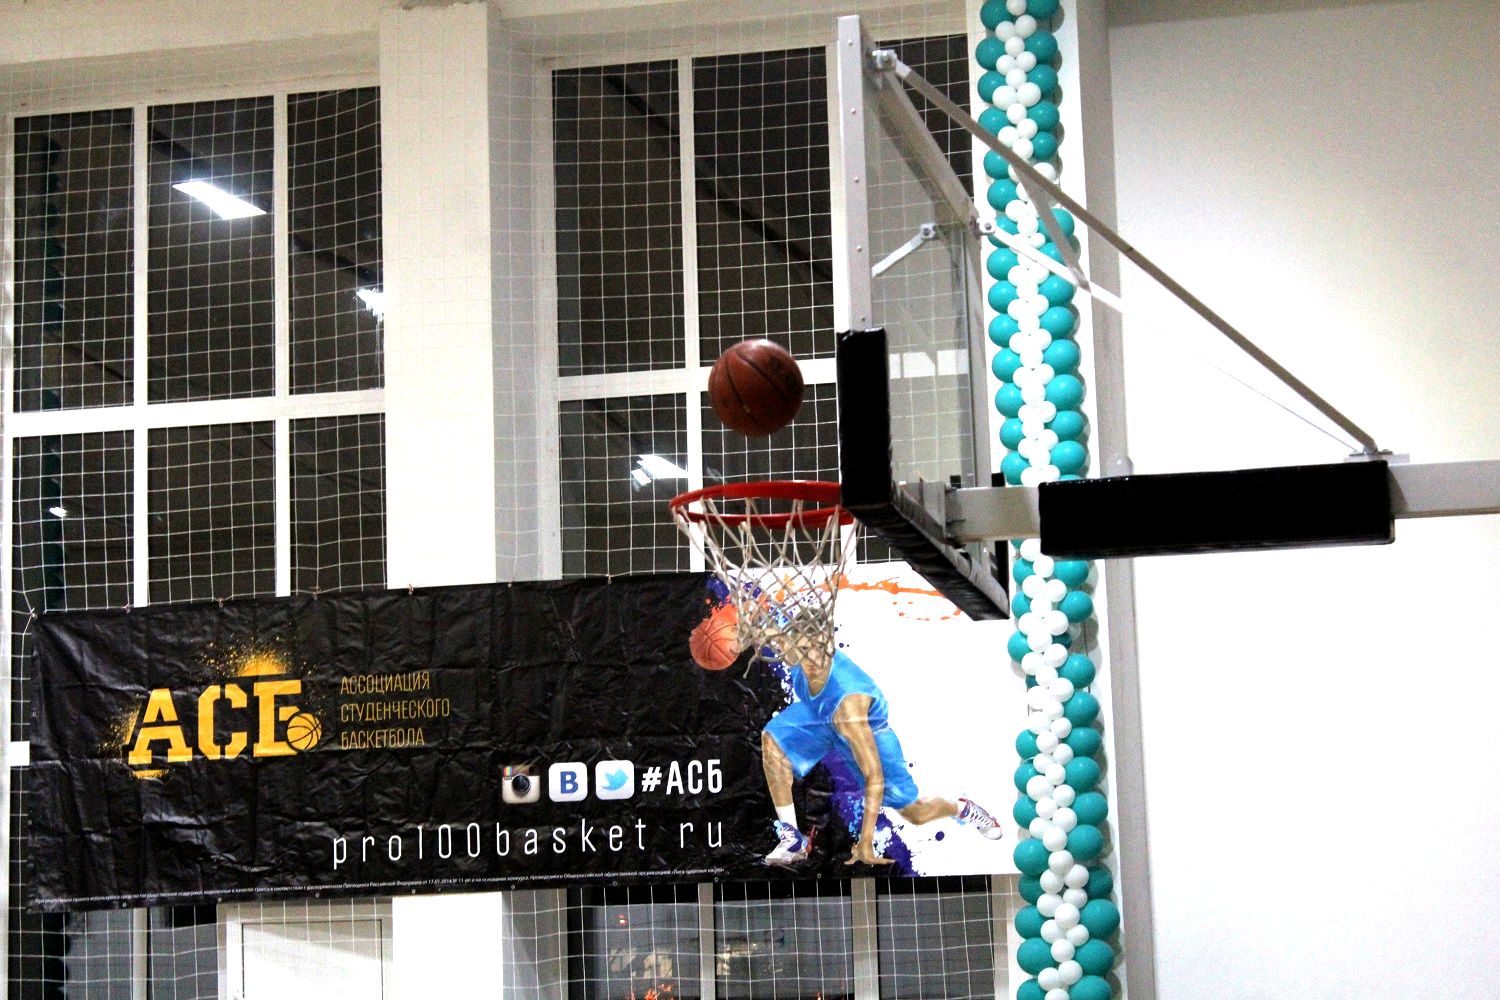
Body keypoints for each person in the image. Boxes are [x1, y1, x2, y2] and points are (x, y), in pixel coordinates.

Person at [759, 634, 1002, 865]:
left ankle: (962, 808)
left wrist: (865, 842)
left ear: (829, 647)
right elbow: (761, 630)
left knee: (915, 814)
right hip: (820, 717)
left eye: (819, 649)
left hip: (867, 732)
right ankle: (792, 839)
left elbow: (874, 778)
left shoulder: (849, 706)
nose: (812, 657)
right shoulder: (792, 650)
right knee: (772, 741)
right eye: (804, 649)